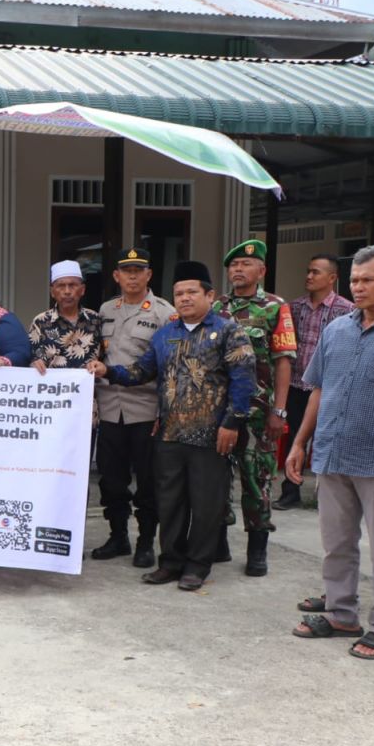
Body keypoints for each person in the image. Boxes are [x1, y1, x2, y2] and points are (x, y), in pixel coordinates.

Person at [88, 261, 256, 592]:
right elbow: (141, 372)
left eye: (192, 292)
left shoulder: (228, 332)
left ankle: (197, 565)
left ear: (209, 295)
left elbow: (243, 380)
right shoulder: (166, 335)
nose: (184, 298)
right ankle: (171, 562)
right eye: (179, 293)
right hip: (169, 434)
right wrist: (108, 371)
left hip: (211, 436)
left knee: (206, 505)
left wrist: (232, 423)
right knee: (170, 502)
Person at [285, 246, 374, 658]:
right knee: (337, 543)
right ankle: (342, 614)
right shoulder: (336, 330)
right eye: (355, 280)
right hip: (333, 453)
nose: (359, 287)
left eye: (368, 280)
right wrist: (300, 442)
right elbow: (319, 389)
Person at [214, 239, 297, 577]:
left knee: (256, 479)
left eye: (246, 264)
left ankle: (257, 549)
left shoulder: (276, 307)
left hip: (259, 412)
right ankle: (218, 542)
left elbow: (283, 361)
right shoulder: (216, 307)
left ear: (261, 270)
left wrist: (280, 411)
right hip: (219, 411)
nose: (238, 269)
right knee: (217, 478)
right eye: (234, 265)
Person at [89, 248, 175, 567]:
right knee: (111, 480)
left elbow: (170, 367)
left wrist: (166, 411)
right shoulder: (105, 310)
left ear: (149, 275)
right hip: (110, 409)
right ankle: (118, 537)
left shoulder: (164, 313)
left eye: (139, 270)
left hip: (146, 410)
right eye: (127, 271)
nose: (133, 276)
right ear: (117, 276)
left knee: (148, 483)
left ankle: (146, 542)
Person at [275, 254, 353, 510]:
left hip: (329, 388)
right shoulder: (294, 308)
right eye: (308, 271)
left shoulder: (347, 310)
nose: (309, 276)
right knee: (294, 438)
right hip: (297, 384)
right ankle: (290, 491)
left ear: (332, 278)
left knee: (325, 439)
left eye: (315, 272)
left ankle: (324, 495)